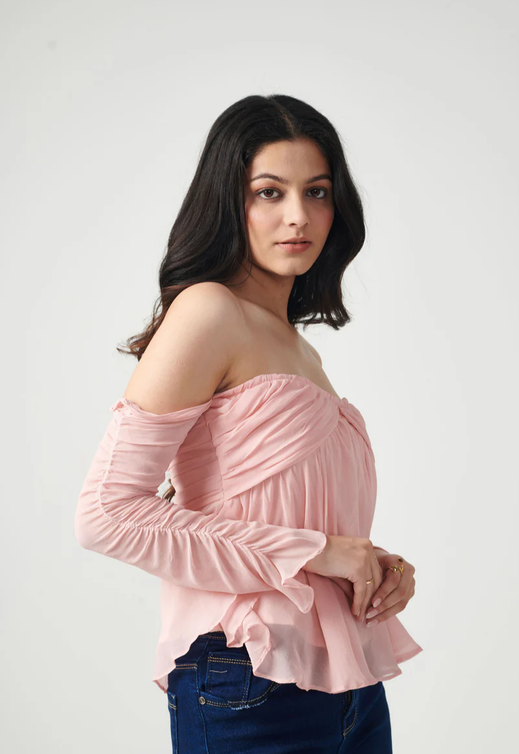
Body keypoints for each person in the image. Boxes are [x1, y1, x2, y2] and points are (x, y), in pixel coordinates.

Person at [75, 93, 422, 753]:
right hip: (249, 675)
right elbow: (106, 514)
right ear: (226, 203)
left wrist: (370, 565)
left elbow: (275, 510)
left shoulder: (299, 349)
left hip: (348, 681)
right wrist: (319, 552)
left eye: (317, 192)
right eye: (269, 192)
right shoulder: (208, 311)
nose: (298, 216)